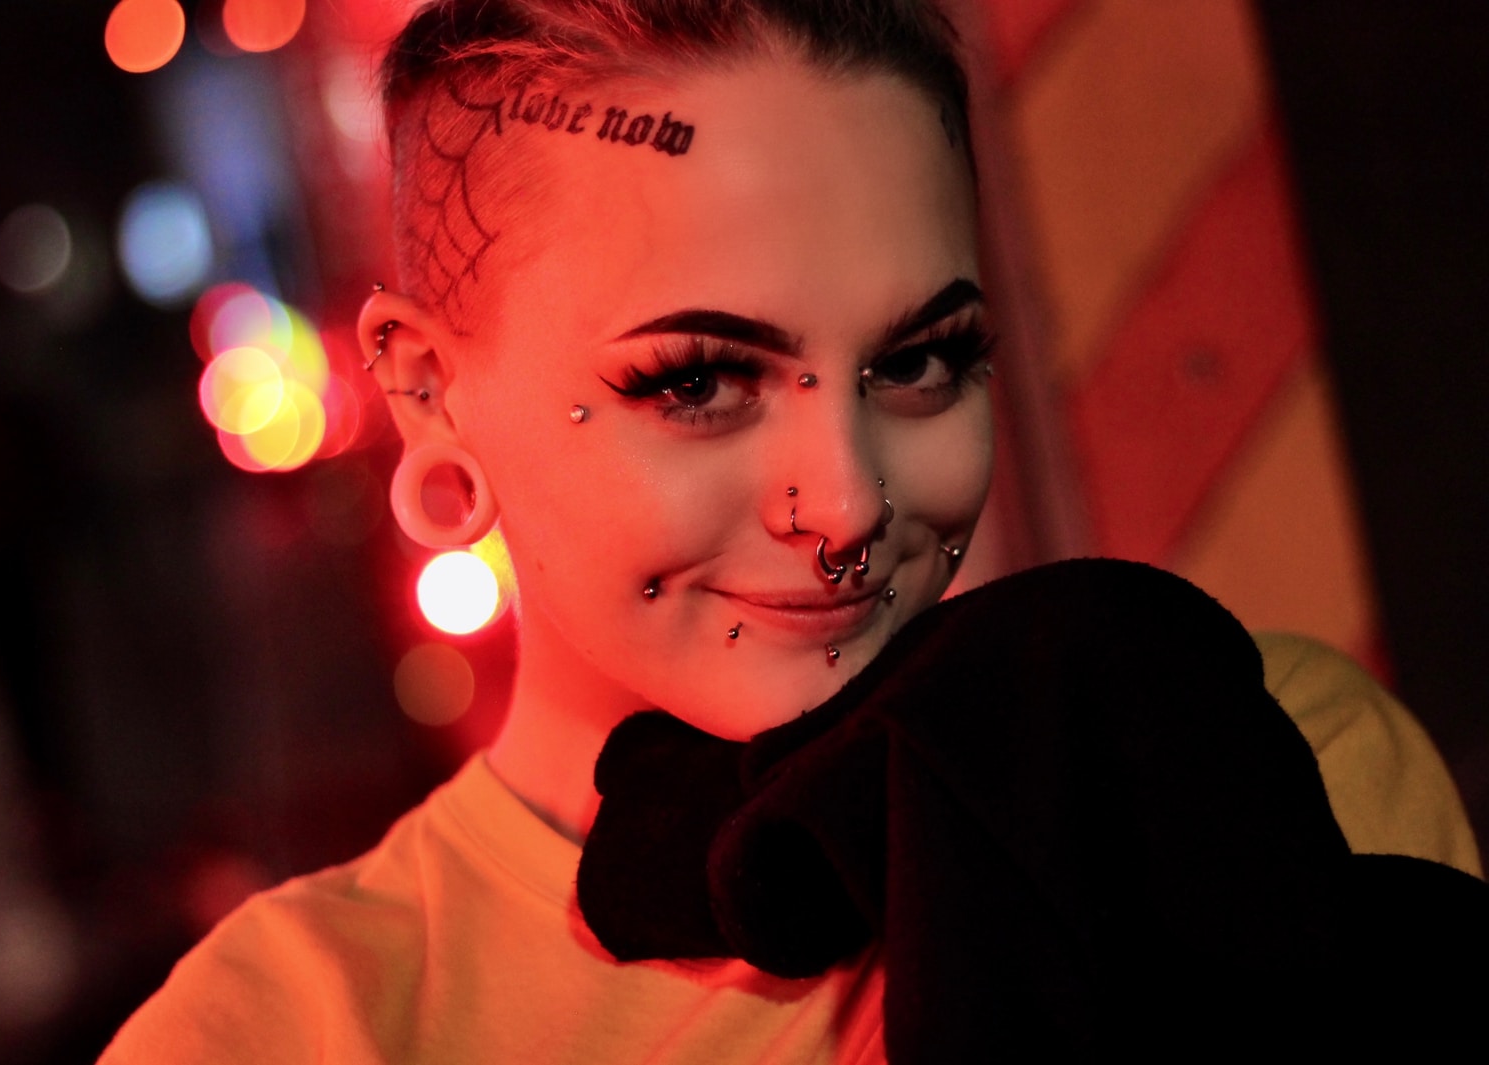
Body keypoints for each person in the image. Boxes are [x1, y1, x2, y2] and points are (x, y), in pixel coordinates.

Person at [100, 1, 1483, 1061]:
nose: (849, 500)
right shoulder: (293, 1028)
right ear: (428, 393)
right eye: (699, 379)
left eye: (923, 359)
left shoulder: (1242, 744)